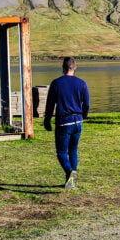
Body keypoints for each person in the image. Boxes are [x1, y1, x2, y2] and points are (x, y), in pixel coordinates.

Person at [43, 57, 89, 190]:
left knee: (61, 152)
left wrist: (47, 120)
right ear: (75, 67)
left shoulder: (56, 83)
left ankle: (70, 172)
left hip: (63, 122)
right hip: (78, 121)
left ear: (63, 67)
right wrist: (83, 116)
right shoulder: (82, 83)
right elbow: (86, 104)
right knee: (73, 150)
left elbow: (50, 104)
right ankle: (71, 181)